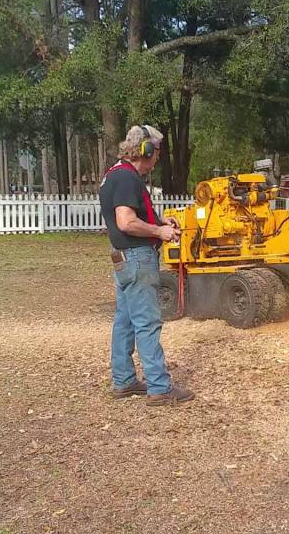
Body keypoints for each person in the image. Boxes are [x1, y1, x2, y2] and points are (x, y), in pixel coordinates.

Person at [99, 124, 195, 406]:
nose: (157, 159)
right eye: (156, 153)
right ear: (146, 150)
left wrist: (158, 221)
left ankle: (124, 380)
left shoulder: (114, 175)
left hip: (122, 257)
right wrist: (159, 232)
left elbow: (128, 217)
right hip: (138, 257)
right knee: (148, 323)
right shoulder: (129, 179)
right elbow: (126, 222)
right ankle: (159, 387)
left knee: (125, 320)